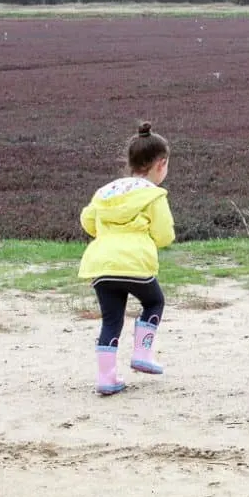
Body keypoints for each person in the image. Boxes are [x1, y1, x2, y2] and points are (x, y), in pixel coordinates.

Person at [78, 121, 175, 395]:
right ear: (161, 164)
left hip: (102, 266)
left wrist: (106, 235)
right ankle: (142, 354)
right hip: (135, 263)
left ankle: (106, 378)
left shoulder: (105, 192)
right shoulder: (153, 195)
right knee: (154, 301)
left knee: (111, 321)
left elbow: (88, 220)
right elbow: (164, 233)